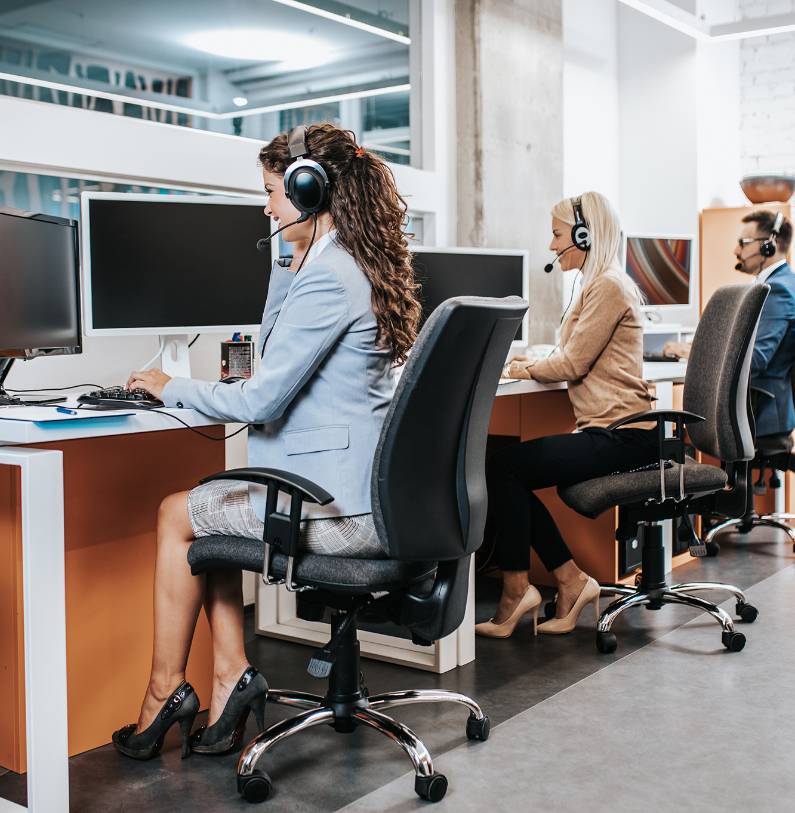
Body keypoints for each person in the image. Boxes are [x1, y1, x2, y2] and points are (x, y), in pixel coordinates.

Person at [111, 123, 422, 759]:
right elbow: (276, 346)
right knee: (214, 508)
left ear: (310, 192)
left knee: (178, 515)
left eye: (273, 193)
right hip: (374, 498)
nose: (266, 208)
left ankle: (163, 691)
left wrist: (171, 387)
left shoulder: (330, 277)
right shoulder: (350, 264)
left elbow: (260, 399)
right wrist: (289, 259)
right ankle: (229, 677)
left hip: (340, 512)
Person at [475, 192, 658, 639]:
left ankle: (526, 588)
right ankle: (567, 581)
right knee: (508, 468)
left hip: (623, 435)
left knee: (504, 466)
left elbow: (572, 363)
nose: (553, 245)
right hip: (611, 431)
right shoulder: (599, 285)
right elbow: (575, 357)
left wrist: (522, 367)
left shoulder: (608, 286)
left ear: (584, 235)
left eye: (558, 235)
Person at [663, 210, 795, 441]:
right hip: (756, 407)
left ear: (768, 246)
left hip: (760, 414)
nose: (736, 250)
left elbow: (756, 359)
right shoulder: (776, 283)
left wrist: (697, 353)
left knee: (678, 433)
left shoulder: (778, 290)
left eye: (743, 243)